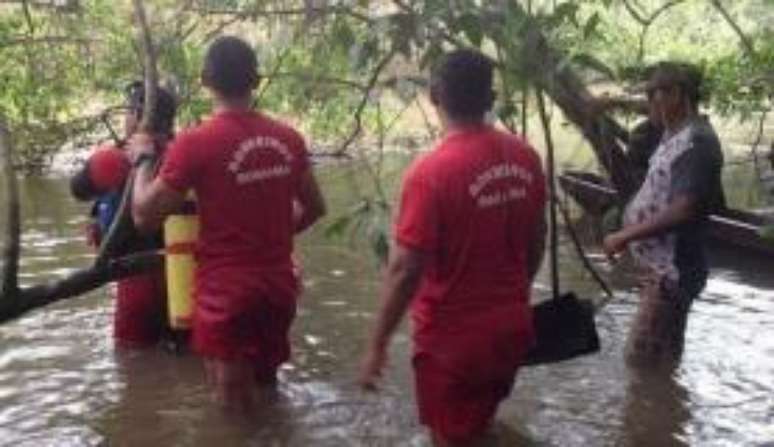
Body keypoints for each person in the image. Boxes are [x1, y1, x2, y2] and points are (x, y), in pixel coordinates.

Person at [127, 35, 326, 414]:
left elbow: (143, 216)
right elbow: (315, 208)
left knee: (233, 414)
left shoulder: (195, 143)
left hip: (226, 294)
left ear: (204, 79)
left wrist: (141, 161)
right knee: (268, 394)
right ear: (256, 79)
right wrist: (272, 238)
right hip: (278, 287)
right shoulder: (289, 139)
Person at [359, 49, 547, 446]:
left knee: (450, 438)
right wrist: (512, 298)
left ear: (434, 96)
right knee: (479, 426)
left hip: (454, 346)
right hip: (510, 331)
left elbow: (405, 270)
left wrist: (377, 344)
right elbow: (536, 242)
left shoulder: (431, 175)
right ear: (491, 99)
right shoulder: (526, 158)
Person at [603, 61, 725, 368]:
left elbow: (684, 208)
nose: (650, 102)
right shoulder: (674, 133)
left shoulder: (696, 142)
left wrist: (624, 234)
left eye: (655, 94)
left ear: (678, 95)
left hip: (672, 274)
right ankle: (665, 410)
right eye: (648, 94)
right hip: (660, 271)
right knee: (659, 361)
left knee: (642, 364)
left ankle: (654, 414)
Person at [70, 82, 178, 349]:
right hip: (186, 279)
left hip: (137, 282)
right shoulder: (185, 155)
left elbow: (78, 188)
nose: (124, 118)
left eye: (129, 111)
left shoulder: (115, 160)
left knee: (132, 360)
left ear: (141, 116)